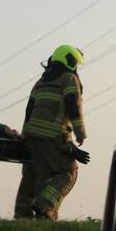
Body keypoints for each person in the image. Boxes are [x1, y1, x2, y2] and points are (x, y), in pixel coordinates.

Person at [18, 44, 89, 219]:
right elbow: (74, 106)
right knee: (68, 172)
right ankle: (44, 205)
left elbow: (29, 110)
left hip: (32, 135)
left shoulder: (41, 82)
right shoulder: (69, 79)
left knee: (37, 175)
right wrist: (81, 132)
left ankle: (24, 214)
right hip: (53, 135)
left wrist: (24, 135)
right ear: (71, 61)